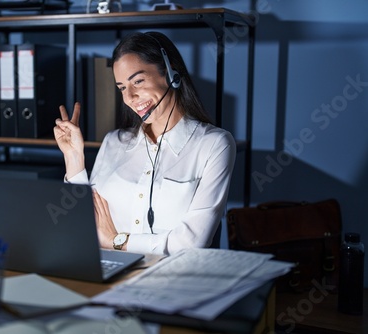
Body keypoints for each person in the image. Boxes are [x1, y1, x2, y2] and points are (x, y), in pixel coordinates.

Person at [53, 31, 236, 256]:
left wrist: (117, 241)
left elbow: (192, 243)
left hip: (172, 280)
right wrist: (73, 159)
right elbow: (83, 229)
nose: (129, 97)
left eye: (138, 81)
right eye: (121, 88)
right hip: (108, 272)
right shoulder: (114, 142)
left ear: (171, 74)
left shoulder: (214, 145)